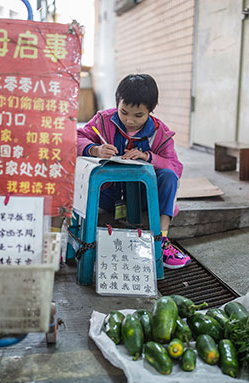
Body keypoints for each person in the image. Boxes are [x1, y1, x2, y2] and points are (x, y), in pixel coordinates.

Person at [77, 73, 190, 269]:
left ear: (150, 111)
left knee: (169, 177)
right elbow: (76, 138)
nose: (130, 120)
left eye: (138, 115)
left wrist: (148, 157)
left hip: (143, 197)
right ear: (117, 104)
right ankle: (86, 244)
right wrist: (94, 149)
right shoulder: (103, 121)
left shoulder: (159, 132)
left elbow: (175, 166)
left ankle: (161, 240)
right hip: (107, 195)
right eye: (124, 112)